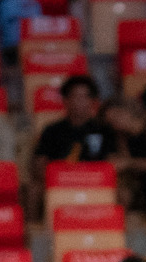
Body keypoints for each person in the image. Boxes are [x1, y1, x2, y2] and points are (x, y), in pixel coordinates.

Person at [31, 76, 117, 220]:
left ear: (93, 101)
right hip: (60, 182)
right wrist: (58, 177)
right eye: (75, 96)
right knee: (33, 190)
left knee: (122, 192)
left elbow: (113, 161)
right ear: (65, 100)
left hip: (95, 182)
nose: (80, 102)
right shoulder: (52, 130)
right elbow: (40, 162)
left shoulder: (104, 130)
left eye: (85, 97)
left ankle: (113, 228)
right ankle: (35, 235)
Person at [102, 97, 146, 215]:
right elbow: (128, 168)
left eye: (117, 115)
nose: (116, 123)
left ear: (128, 109)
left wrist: (128, 163)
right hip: (144, 185)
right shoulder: (122, 136)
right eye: (111, 122)